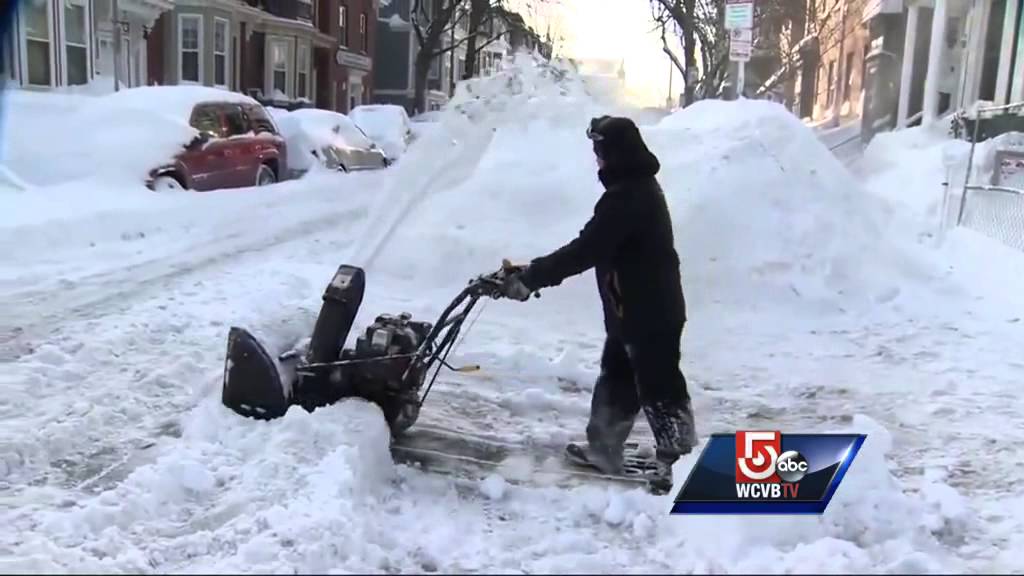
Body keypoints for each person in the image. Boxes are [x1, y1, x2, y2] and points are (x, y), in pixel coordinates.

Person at [499, 115, 697, 494]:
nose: (597, 162)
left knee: (660, 388)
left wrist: (531, 278)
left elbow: (586, 249)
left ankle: (682, 464)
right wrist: (532, 270)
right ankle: (604, 448)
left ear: (617, 153)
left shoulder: (629, 198)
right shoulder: (631, 190)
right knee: (619, 377)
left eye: (601, 153)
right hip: (632, 312)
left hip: (649, 314)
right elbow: (591, 246)